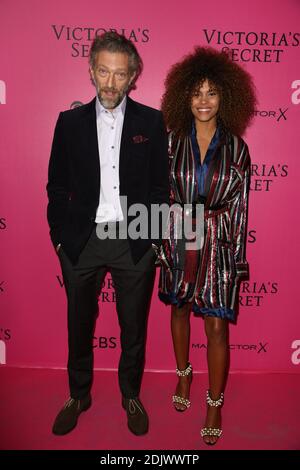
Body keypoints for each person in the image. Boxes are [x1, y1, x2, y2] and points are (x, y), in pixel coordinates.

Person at [47, 31, 169, 437]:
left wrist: (151, 240)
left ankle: (130, 394)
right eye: (103, 71)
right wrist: (60, 238)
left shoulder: (152, 121)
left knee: (134, 327)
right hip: (81, 240)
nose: (111, 83)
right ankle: (78, 394)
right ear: (91, 71)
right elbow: (57, 185)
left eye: (120, 74)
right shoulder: (68, 122)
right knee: (78, 324)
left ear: (133, 75)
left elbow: (158, 187)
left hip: (134, 239)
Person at [158, 47, 256, 445]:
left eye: (212, 92)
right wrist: (163, 243)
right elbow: (160, 196)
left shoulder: (237, 150)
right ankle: (184, 374)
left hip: (216, 240)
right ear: (184, 95)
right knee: (179, 311)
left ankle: (214, 401)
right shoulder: (170, 142)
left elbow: (241, 208)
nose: (203, 100)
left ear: (226, 98)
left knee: (216, 327)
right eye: (196, 91)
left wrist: (235, 261)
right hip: (180, 236)